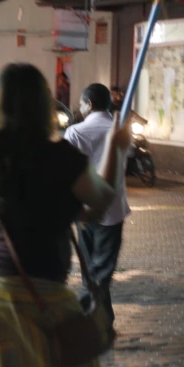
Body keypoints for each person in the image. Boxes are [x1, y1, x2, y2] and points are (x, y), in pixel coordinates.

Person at [0, 63, 130, 367]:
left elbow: (31, 208)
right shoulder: (58, 156)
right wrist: (115, 147)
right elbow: (101, 200)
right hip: (32, 295)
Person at [64, 83, 130, 323]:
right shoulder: (121, 131)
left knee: (91, 271)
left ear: (89, 104)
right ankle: (101, 318)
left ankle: (94, 318)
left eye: (81, 104)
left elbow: (68, 176)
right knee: (101, 271)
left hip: (84, 213)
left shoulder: (75, 132)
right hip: (114, 212)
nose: (80, 108)